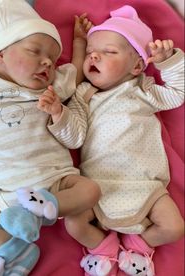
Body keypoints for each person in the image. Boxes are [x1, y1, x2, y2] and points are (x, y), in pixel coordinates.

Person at [0, 0, 101, 275]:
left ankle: (48, 206)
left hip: (57, 182)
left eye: (54, 61)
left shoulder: (52, 89)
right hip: (11, 191)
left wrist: (79, 43)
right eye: (35, 51)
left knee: (90, 190)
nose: (47, 62)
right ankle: (16, 250)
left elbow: (76, 73)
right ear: (1, 55)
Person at [38, 5, 185, 276]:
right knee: (74, 224)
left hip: (145, 185)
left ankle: (138, 245)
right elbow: (74, 137)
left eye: (109, 52)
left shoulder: (143, 89)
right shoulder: (84, 95)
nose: (94, 55)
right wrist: (59, 114)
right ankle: (103, 249)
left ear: (137, 65)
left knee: (175, 227)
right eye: (92, 51)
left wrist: (168, 61)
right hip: (97, 187)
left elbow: (177, 93)